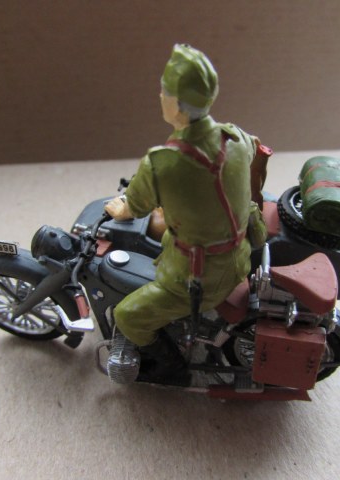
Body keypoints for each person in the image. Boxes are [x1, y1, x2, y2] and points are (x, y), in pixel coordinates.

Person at [104, 44, 267, 384]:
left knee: (127, 315)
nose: (160, 96)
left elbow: (134, 207)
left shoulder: (161, 162)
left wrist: (121, 209)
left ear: (175, 104)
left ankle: (171, 368)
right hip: (239, 255)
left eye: (164, 92)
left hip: (200, 278)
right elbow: (254, 148)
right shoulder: (235, 137)